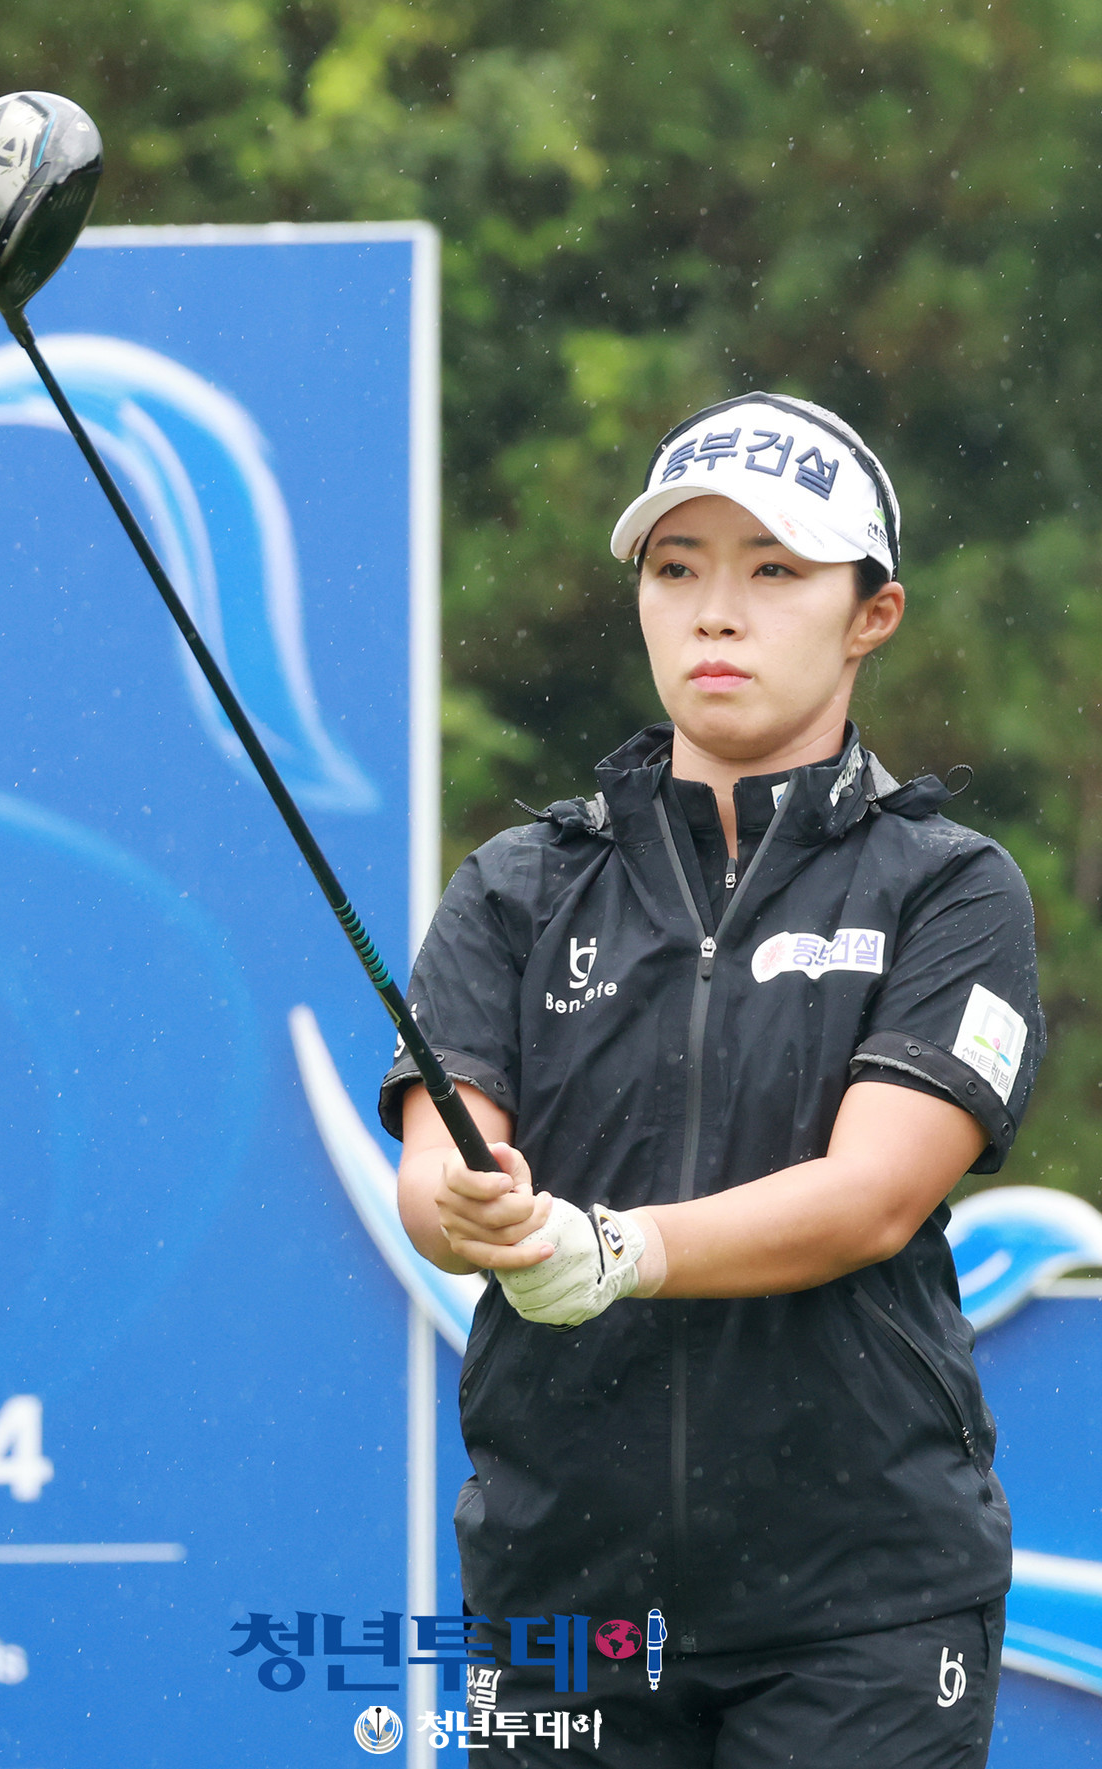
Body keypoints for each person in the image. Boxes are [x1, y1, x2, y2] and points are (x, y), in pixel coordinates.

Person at [381, 393, 1044, 1768]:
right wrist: (474, 1209)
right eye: (677, 569)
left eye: (775, 571)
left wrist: (618, 1249)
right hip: (565, 1600)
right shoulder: (518, 886)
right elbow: (439, 1173)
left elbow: (872, 1195)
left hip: (863, 1609)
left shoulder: (952, 888)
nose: (716, 614)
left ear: (872, 614)